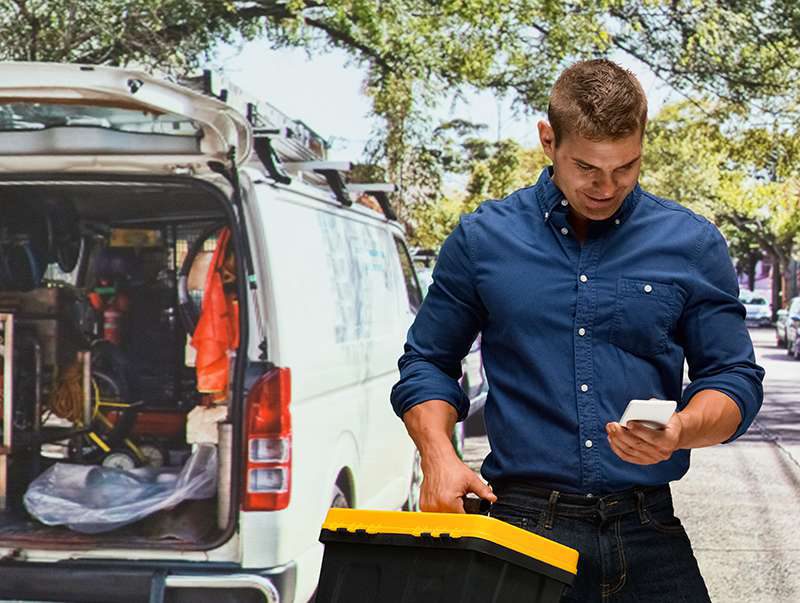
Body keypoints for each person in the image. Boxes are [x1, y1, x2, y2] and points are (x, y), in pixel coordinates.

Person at [390, 59, 764, 602]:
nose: (606, 186)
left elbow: (733, 377)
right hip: (521, 529)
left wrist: (681, 429)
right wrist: (439, 456)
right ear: (548, 140)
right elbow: (427, 362)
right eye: (587, 167)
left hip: (647, 529)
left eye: (626, 167)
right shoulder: (482, 240)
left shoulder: (692, 244)